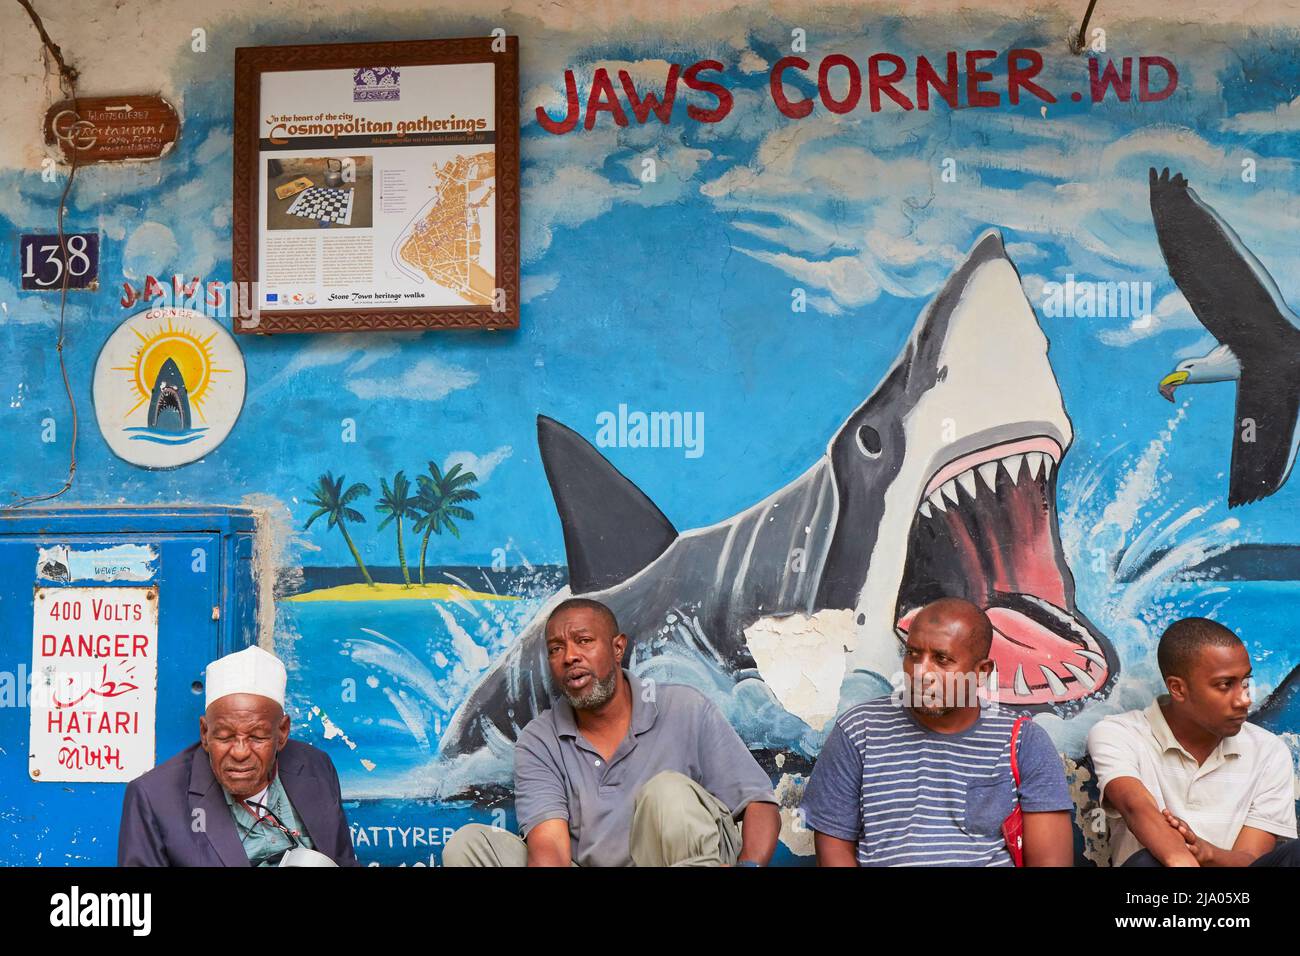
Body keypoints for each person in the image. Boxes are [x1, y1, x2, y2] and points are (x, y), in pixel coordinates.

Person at [444, 598, 781, 866]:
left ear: (618, 648)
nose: (569, 656)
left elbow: (759, 804)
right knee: (470, 846)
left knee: (668, 792)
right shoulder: (538, 740)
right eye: (556, 648)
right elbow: (550, 849)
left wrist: (748, 866)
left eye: (584, 641)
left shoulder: (684, 706)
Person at [801, 597, 1075, 866]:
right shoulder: (859, 730)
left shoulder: (1023, 741)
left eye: (942, 659)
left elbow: (1050, 861)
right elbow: (833, 853)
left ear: (981, 671)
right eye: (913, 654)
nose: (921, 672)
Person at [118, 645, 358, 866]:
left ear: (282, 733)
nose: (240, 752)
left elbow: (342, 859)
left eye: (257, 737)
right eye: (224, 737)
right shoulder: (154, 797)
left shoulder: (314, 766)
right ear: (204, 733)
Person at [1087, 617, 1298, 867]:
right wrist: (1181, 858)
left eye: (1245, 683)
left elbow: (1252, 859)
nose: (1244, 700)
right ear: (1177, 688)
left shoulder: (1268, 750)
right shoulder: (1119, 733)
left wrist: (1207, 853)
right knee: (1147, 861)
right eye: (1225, 685)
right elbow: (1136, 806)